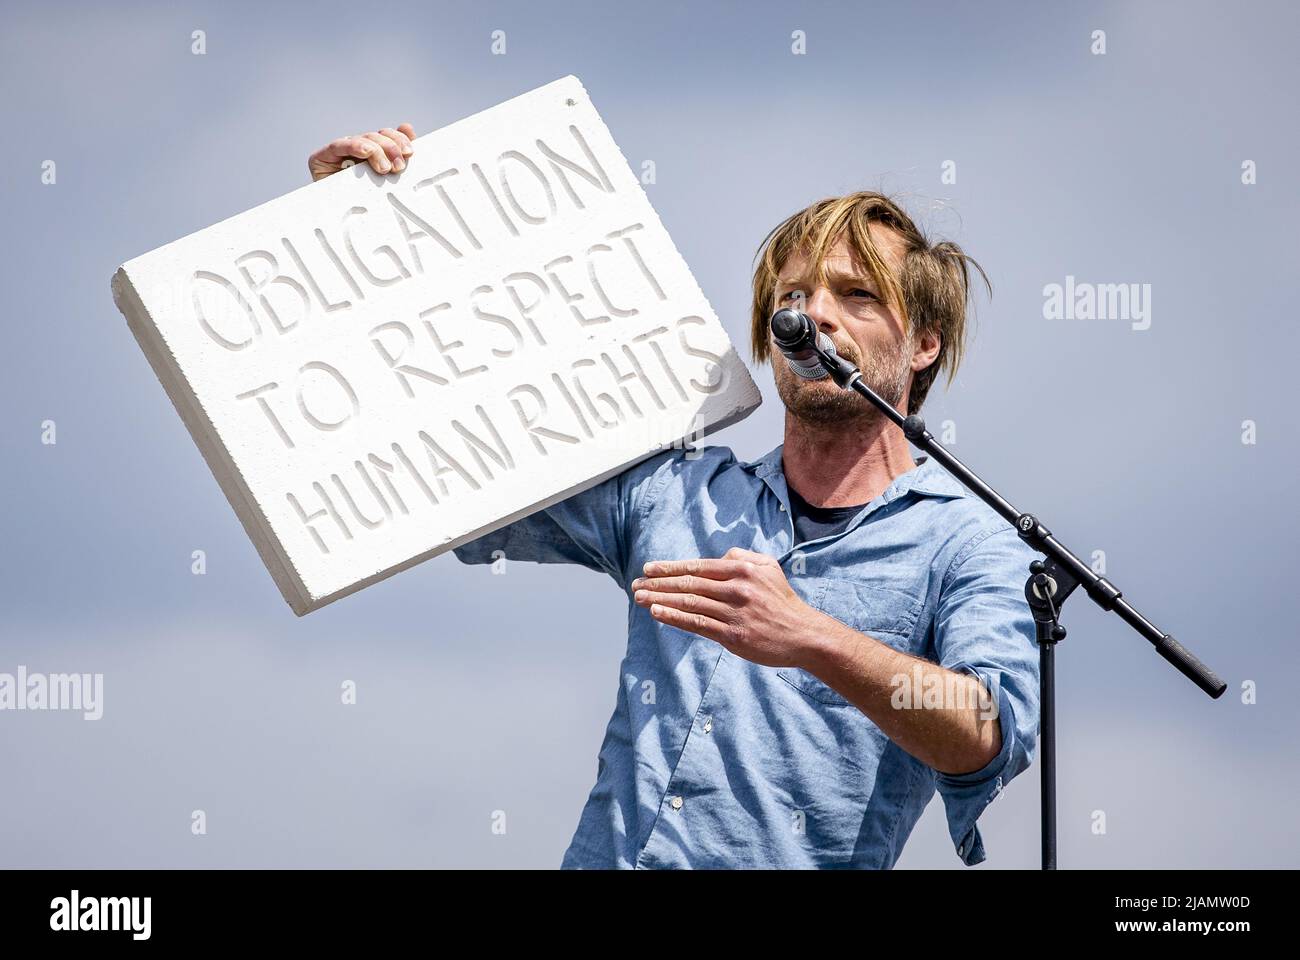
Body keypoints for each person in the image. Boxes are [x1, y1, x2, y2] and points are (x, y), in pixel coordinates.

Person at [308, 126, 1041, 869]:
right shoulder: (676, 491)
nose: (814, 313)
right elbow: (444, 471)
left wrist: (811, 637)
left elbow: (988, 734)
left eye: (856, 296)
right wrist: (353, 235)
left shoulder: (970, 544)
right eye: (794, 294)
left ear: (924, 343)